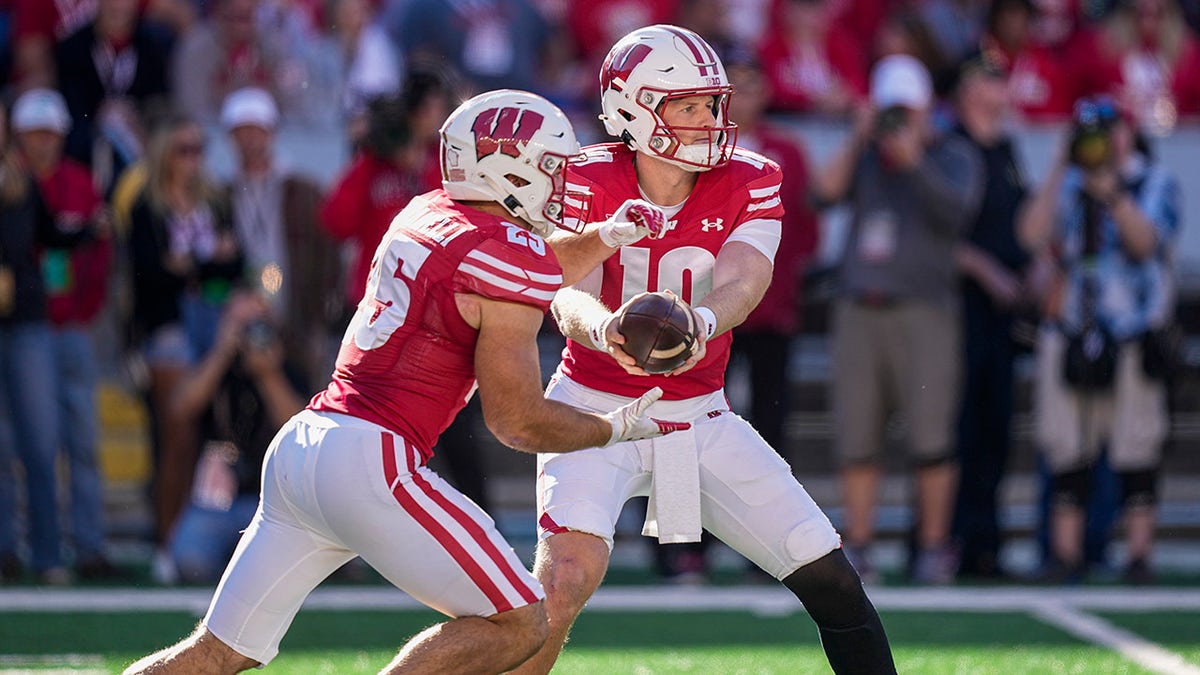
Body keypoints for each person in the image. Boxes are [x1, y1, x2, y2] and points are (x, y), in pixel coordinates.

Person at [122, 89, 689, 674]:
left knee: (214, 653)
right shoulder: (503, 256)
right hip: (373, 460)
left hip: (304, 446)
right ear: (508, 170)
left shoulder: (427, 210)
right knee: (522, 621)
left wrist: (605, 237)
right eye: (552, 167)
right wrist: (611, 429)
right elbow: (515, 420)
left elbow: (523, 266)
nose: (564, 181)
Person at [511, 25, 895, 674]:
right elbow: (564, 293)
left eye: (712, 104)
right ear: (632, 109)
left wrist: (701, 320)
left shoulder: (752, 176)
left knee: (832, 580)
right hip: (592, 409)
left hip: (700, 414)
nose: (711, 120)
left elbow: (747, 276)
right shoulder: (582, 176)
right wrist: (608, 329)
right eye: (688, 106)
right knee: (563, 581)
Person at [812, 54, 982, 585]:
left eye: (906, 110)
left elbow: (958, 216)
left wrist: (914, 159)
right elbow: (823, 194)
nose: (898, 119)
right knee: (858, 436)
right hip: (861, 308)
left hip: (924, 310)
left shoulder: (952, 154)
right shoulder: (865, 156)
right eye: (891, 110)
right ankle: (859, 545)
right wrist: (860, 135)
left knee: (932, 436)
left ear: (927, 109)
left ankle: (932, 547)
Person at [1017, 96, 1180, 584]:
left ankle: (1138, 556)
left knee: (1137, 446)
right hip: (1071, 330)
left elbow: (1146, 243)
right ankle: (1065, 555)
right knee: (1067, 445)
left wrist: (1111, 192)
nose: (1099, 144)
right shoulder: (1067, 182)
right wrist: (1058, 167)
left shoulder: (1153, 180)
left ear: (1126, 134)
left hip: (1133, 331)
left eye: (1107, 132)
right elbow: (1030, 236)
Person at [12, 88, 120, 580]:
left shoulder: (79, 184)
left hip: (68, 326)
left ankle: (88, 546)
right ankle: (26, 548)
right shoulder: (12, 184)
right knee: (27, 444)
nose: (43, 143)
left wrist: (85, 308)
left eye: (49, 134)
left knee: (79, 440)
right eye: (34, 134)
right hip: (21, 327)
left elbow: (96, 251)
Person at [947, 59, 1038, 580]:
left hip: (1003, 312)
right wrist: (986, 270)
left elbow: (1022, 222)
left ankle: (988, 545)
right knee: (960, 426)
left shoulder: (1006, 150)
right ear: (965, 89)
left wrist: (1038, 264)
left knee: (997, 428)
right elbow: (938, 232)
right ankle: (952, 541)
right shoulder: (950, 147)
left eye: (1004, 77)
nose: (1000, 88)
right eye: (989, 77)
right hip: (958, 307)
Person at [0, 98, 92, 586]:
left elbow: (50, 239)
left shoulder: (20, 183)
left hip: (28, 322)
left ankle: (48, 553)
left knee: (40, 444)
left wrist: (85, 231)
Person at [166, 291, 307, 583]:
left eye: (258, 323)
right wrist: (221, 352)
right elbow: (180, 409)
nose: (251, 333)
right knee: (191, 563)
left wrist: (269, 375)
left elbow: (301, 428)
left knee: (286, 577)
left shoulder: (287, 368)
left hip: (274, 504)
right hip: (217, 502)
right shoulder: (214, 367)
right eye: (241, 324)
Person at [220, 87, 341, 392]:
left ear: (271, 133)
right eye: (241, 132)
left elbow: (327, 259)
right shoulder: (220, 195)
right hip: (240, 320)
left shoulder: (303, 191)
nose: (249, 139)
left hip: (296, 320)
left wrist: (320, 320)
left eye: (256, 130)